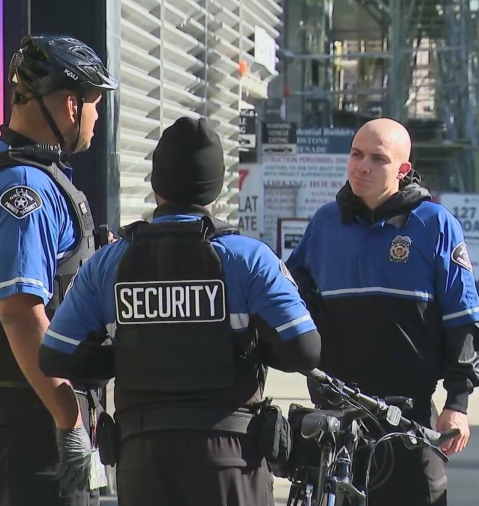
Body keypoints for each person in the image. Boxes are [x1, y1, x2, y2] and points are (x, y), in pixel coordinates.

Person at [38, 116, 322, 506]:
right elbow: (304, 349)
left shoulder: (108, 263)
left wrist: (124, 356)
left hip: (142, 458)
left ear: (157, 183)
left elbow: (56, 354)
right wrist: (247, 346)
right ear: (216, 186)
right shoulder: (248, 257)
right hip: (230, 457)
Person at [0, 34, 119, 506]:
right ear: (71, 106)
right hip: (33, 417)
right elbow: (20, 314)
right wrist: (69, 422)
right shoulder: (23, 190)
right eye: (95, 103)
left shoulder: (13, 167)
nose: (97, 118)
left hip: (31, 406)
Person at [285, 117, 479, 506]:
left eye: (377, 158)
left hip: (407, 418)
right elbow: (290, 300)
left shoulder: (435, 225)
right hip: (336, 418)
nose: (362, 166)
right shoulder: (326, 224)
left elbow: (464, 320)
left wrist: (458, 404)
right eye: (356, 154)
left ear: (403, 169)